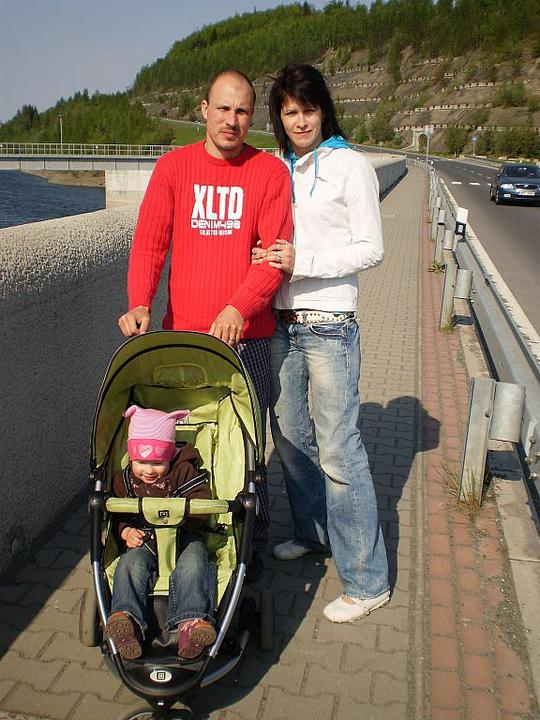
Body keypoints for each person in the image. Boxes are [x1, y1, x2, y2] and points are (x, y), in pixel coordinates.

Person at [117, 70, 293, 580]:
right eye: (223, 108)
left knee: (246, 450)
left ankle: (248, 555)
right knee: (184, 445)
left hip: (248, 340)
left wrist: (239, 307)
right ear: (204, 109)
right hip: (183, 340)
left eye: (242, 111)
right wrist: (139, 301)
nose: (231, 120)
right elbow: (150, 243)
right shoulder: (174, 168)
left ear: (252, 117)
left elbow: (273, 258)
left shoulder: (269, 173)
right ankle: (169, 541)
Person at [252, 63, 389, 623]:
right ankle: (313, 534)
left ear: (323, 110)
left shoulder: (350, 166)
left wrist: (301, 261)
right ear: (279, 117)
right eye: (290, 111)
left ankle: (367, 580)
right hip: (281, 322)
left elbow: (371, 248)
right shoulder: (277, 165)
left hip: (331, 324)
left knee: (339, 449)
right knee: (290, 439)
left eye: (308, 109)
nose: (300, 120)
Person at [106, 405, 217, 660]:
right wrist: (125, 531)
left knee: (194, 564)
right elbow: (116, 512)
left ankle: (190, 624)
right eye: (141, 462)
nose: (149, 470)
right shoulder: (124, 480)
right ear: (131, 457)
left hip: (183, 535)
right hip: (143, 538)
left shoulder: (184, 471)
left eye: (157, 463)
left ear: (170, 456)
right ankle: (127, 621)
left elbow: (203, 500)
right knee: (130, 565)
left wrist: (186, 519)